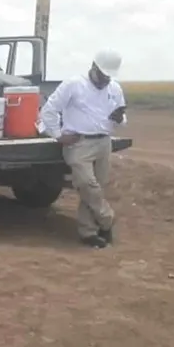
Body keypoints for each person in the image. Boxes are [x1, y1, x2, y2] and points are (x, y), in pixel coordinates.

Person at [39, 49, 126, 249]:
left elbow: (122, 118)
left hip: (104, 142)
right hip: (78, 143)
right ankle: (107, 219)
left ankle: (89, 233)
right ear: (94, 67)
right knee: (87, 184)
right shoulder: (73, 84)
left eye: (108, 76)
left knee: (97, 187)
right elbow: (49, 110)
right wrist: (57, 134)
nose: (105, 80)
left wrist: (120, 118)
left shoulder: (115, 88)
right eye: (102, 75)